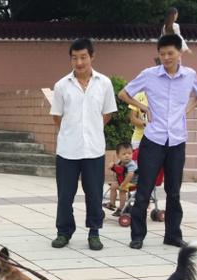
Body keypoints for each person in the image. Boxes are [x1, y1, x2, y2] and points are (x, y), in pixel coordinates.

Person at [118, 34, 197, 249]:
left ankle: (173, 235)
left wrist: (186, 112)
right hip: (153, 140)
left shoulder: (190, 75)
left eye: (170, 53)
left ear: (179, 53)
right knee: (144, 190)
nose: (166, 57)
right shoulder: (149, 75)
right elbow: (123, 93)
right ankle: (137, 236)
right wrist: (144, 108)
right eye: (162, 53)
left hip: (177, 141)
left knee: (173, 191)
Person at [49, 38, 117, 251]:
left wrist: (91, 129)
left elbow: (107, 113)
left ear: (92, 57)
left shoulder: (104, 83)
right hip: (68, 150)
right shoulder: (61, 85)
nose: (79, 62)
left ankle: (94, 232)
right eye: (74, 58)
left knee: (95, 194)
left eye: (83, 57)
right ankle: (64, 231)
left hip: (94, 150)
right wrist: (72, 131)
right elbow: (57, 116)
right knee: (65, 195)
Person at [104, 142, 137, 217]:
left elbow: (130, 175)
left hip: (132, 182)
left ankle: (121, 208)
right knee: (113, 186)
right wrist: (111, 165)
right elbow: (115, 168)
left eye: (129, 153)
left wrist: (123, 184)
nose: (127, 156)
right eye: (124, 154)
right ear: (118, 155)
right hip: (122, 181)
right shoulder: (120, 162)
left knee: (122, 190)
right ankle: (112, 204)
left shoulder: (131, 164)